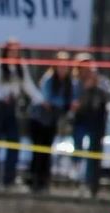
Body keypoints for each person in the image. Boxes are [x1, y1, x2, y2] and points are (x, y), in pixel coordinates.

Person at [0, 39, 39, 189]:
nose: (14, 53)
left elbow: (28, 85)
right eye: (11, 50)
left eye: (16, 51)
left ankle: (9, 179)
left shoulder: (21, 67)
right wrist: (3, 97)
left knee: (14, 143)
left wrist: (41, 100)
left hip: (13, 108)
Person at [28, 53, 76, 193]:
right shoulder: (48, 80)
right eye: (60, 66)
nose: (63, 69)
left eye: (65, 66)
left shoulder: (69, 84)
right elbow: (48, 100)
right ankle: (34, 182)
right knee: (38, 151)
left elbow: (69, 101)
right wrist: (64, 105)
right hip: (39, 121)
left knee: (47, 151)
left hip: (51, 121)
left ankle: (44, 182)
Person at [71, 52, 110, 196]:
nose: (86, 70)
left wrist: (97, 85)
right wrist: (85, 90)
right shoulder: (76, 83)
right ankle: (78, 182)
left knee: (94, 155)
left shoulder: (101, 80)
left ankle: (92, 186)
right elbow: (74, 102)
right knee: (78, 150)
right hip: (81, 120)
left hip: (97, 122)